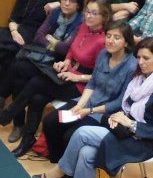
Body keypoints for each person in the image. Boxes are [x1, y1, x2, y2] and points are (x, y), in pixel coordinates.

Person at [30, 38, 153, 178]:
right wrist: (118, 117)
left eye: (146, 58)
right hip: (125, 131)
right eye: (138, 57)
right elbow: (127, 106)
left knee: (82, 133)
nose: (140, 62)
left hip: (143, 142)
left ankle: (60, 171)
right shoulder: (140, 77)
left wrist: (130, 123)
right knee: (86, 152)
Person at [7, 0, 111, 157]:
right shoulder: (84, 26)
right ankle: (27, 140)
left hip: (82, 86)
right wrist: (66, 61)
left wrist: (77, 77)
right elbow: (71, 50)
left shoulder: (104, 41)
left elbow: (102, 77)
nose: (88, 16)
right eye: (87, 11)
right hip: (67, 74)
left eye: (94, 13)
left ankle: (8, 114)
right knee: (36, 98)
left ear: (104, 17)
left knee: (36, 81)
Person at [0, 0, 85, 119]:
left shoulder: (80, 22)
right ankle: (12, 117)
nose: (66, 3)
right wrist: (54, 43)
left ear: (78, 5)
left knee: (17, 68)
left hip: (58, 64)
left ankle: (0, 104)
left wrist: (50, 39)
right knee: (17, 75)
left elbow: (65, 49)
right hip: (42, 56)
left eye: (71, 1)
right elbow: (38, 36)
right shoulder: (55, 12)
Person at [40, 21, 137, 164]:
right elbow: (92, 83)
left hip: (106, 113)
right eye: (108, 36)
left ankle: (69, 170)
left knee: (70, 136)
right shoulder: (104, 54)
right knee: (50, 121)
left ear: (126, 43)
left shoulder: (132, 67)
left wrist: (89, 111)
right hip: (88, 102)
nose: (110, 41)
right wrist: (80, 105)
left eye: (117, 37)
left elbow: (119, 102)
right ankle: (58, 162)